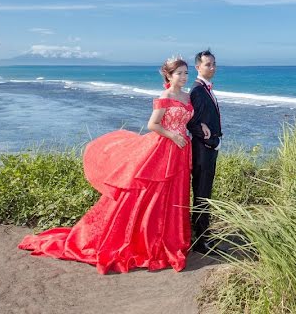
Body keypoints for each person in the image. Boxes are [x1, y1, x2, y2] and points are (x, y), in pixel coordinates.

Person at [18, 57, 198, 274]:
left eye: (186, 73)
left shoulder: (187, 96)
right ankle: (147, 240)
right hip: (164, 148)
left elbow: (189, 120)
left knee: (173, 195)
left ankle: (169, 238)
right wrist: (173, 136)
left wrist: (196, 132)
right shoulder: (165, 97)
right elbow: (153, 124)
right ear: (169, 76)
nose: (183, 77)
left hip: (180, 151)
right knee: (151, 194)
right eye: (179, 73)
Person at [186, 48, 223, 253]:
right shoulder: (198, 91)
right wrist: (212, 142)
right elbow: (192, 123)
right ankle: (200, 242)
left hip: (207, 149)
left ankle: (202, 235)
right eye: (208, 64)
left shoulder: (205, 89)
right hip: (202, 151)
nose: (212, 67)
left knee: (205, 194)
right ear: (198, 67)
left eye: (214, 63)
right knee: (202, 195)